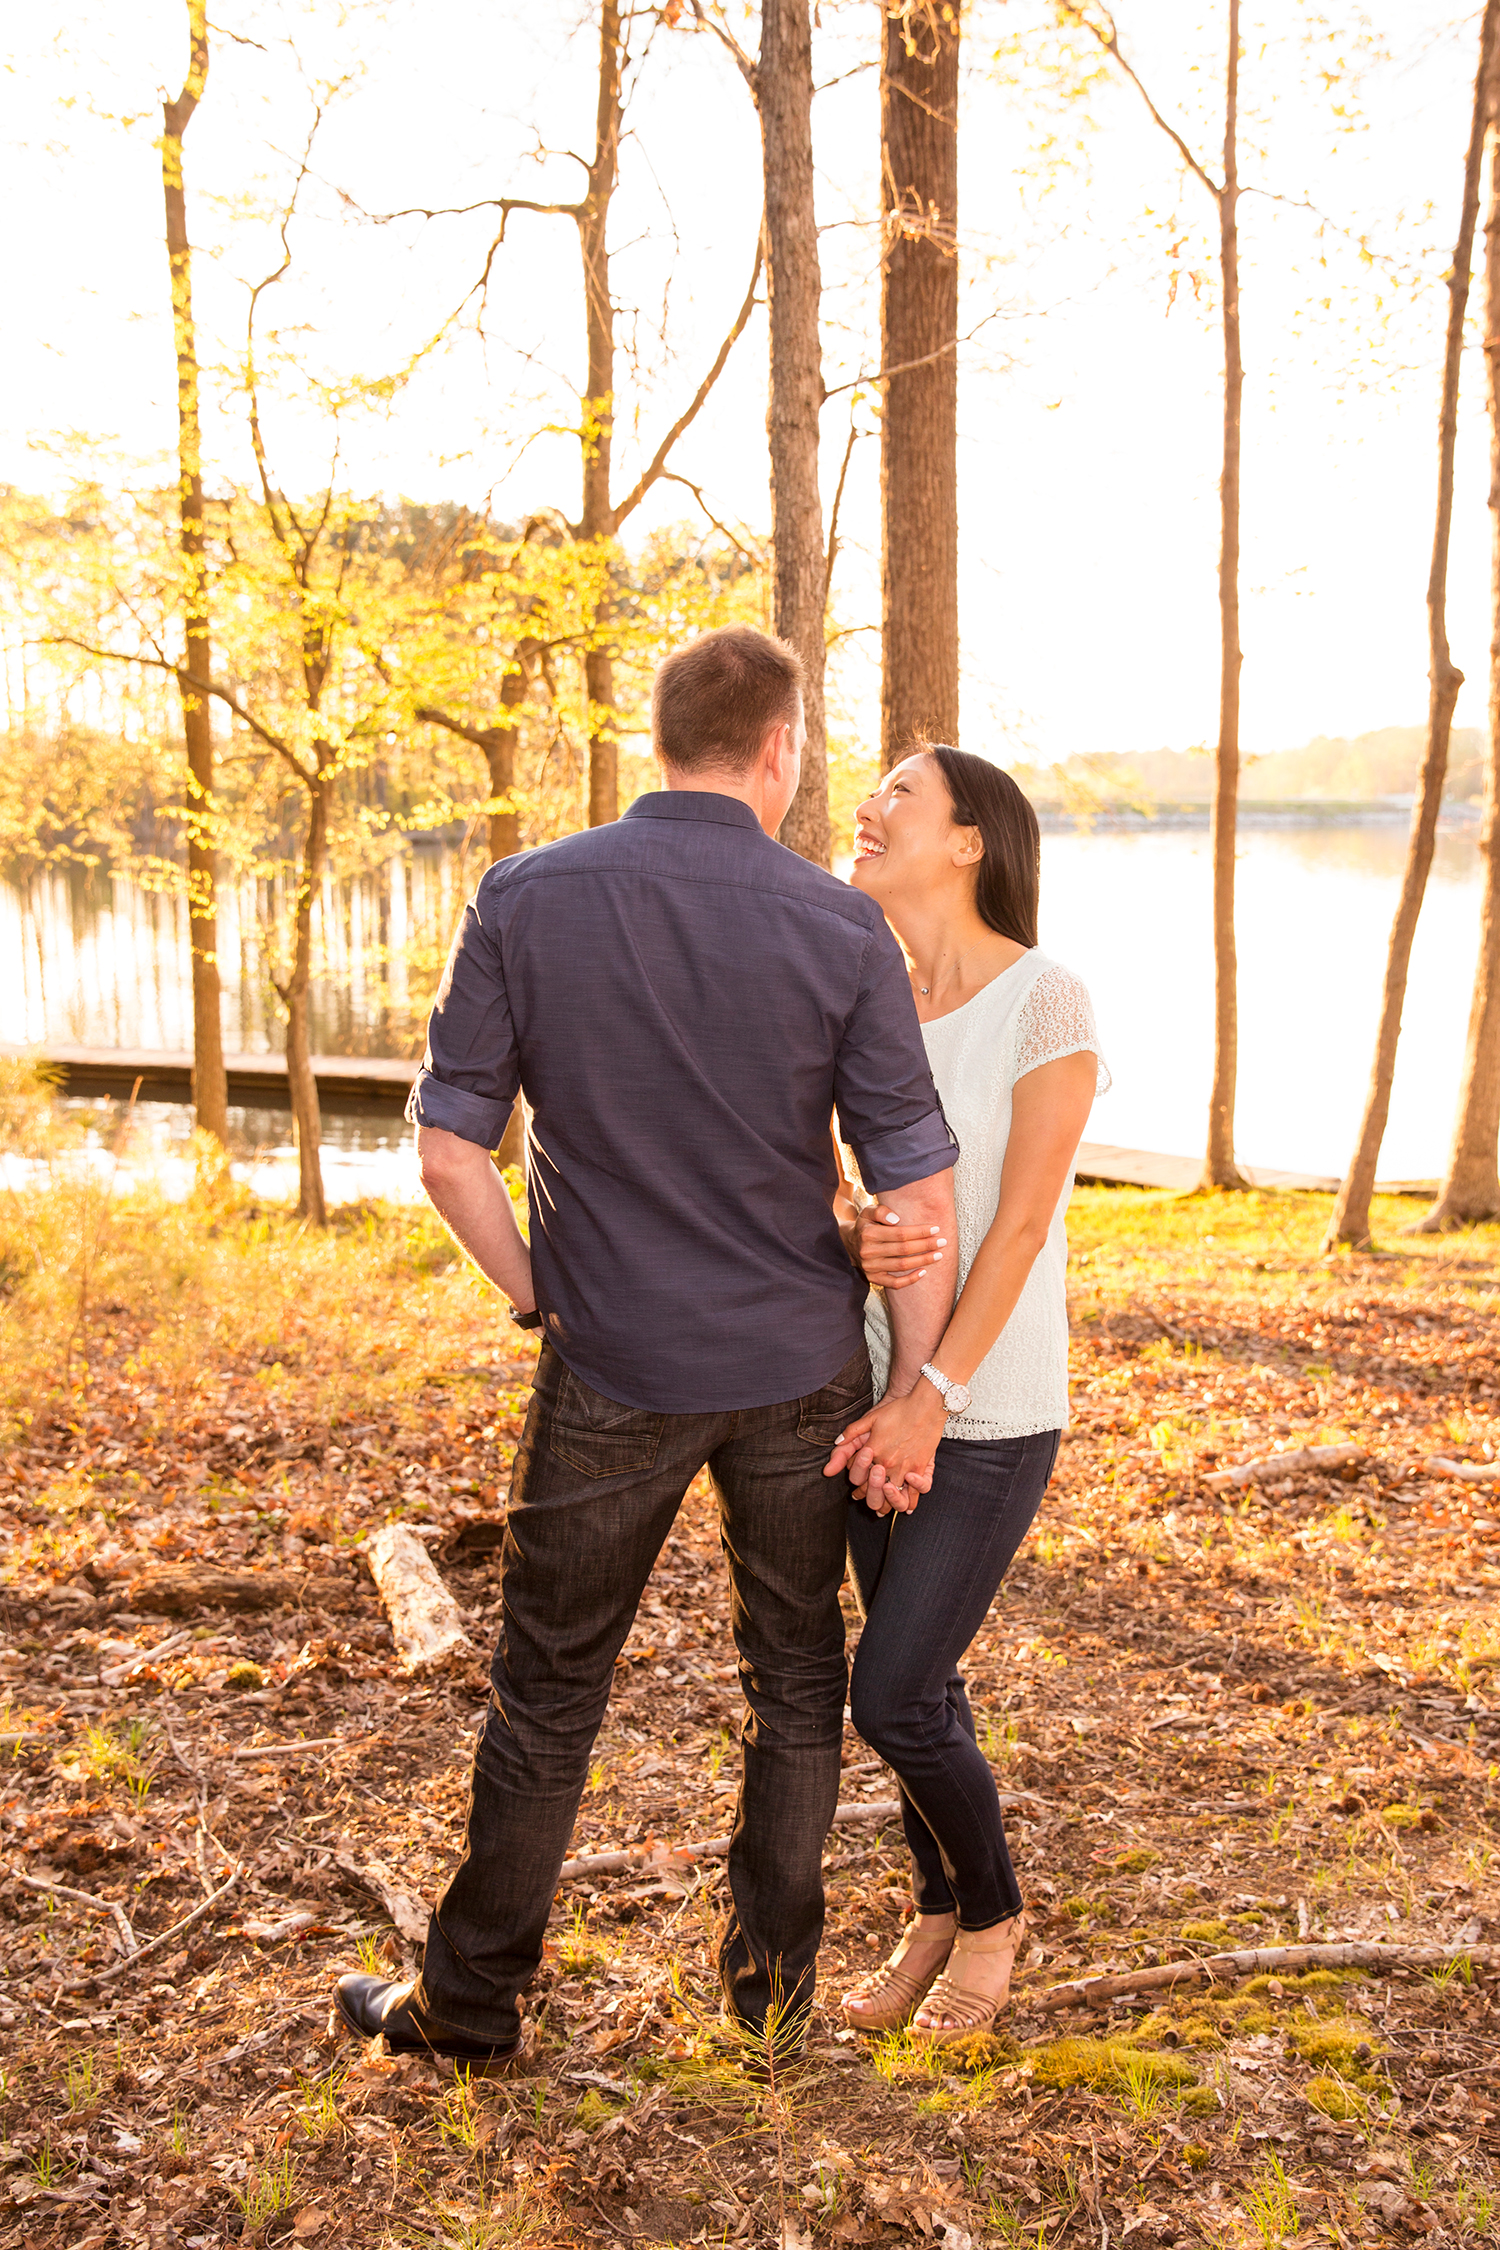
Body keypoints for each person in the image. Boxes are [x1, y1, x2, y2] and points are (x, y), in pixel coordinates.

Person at [333, 628, 958, 2073]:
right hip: (803, 1363)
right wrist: (919, 1386)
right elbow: (915, 1189)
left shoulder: (526, 894)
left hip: (610, 1363)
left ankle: (471, 2004)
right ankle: (772, 2002)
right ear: (781, 750)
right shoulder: (840, 925)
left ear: (659, 739)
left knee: (549, 1685)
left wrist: (537, 1290)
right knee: (796, 1674)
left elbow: (445, 1152)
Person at [825, 744, 1108, 2044]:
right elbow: (847, 1193)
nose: (868, 809)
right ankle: (935, 1903)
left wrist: (931, 1395)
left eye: (900, 793)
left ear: (968, 841)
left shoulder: (1046, 999)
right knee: (920, 1687)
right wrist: (852, 1229)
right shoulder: (862, 991)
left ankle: (992, 1914)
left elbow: (1020, 1225)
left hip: (985, 1410)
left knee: (890, 1691)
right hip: (869, 1395)